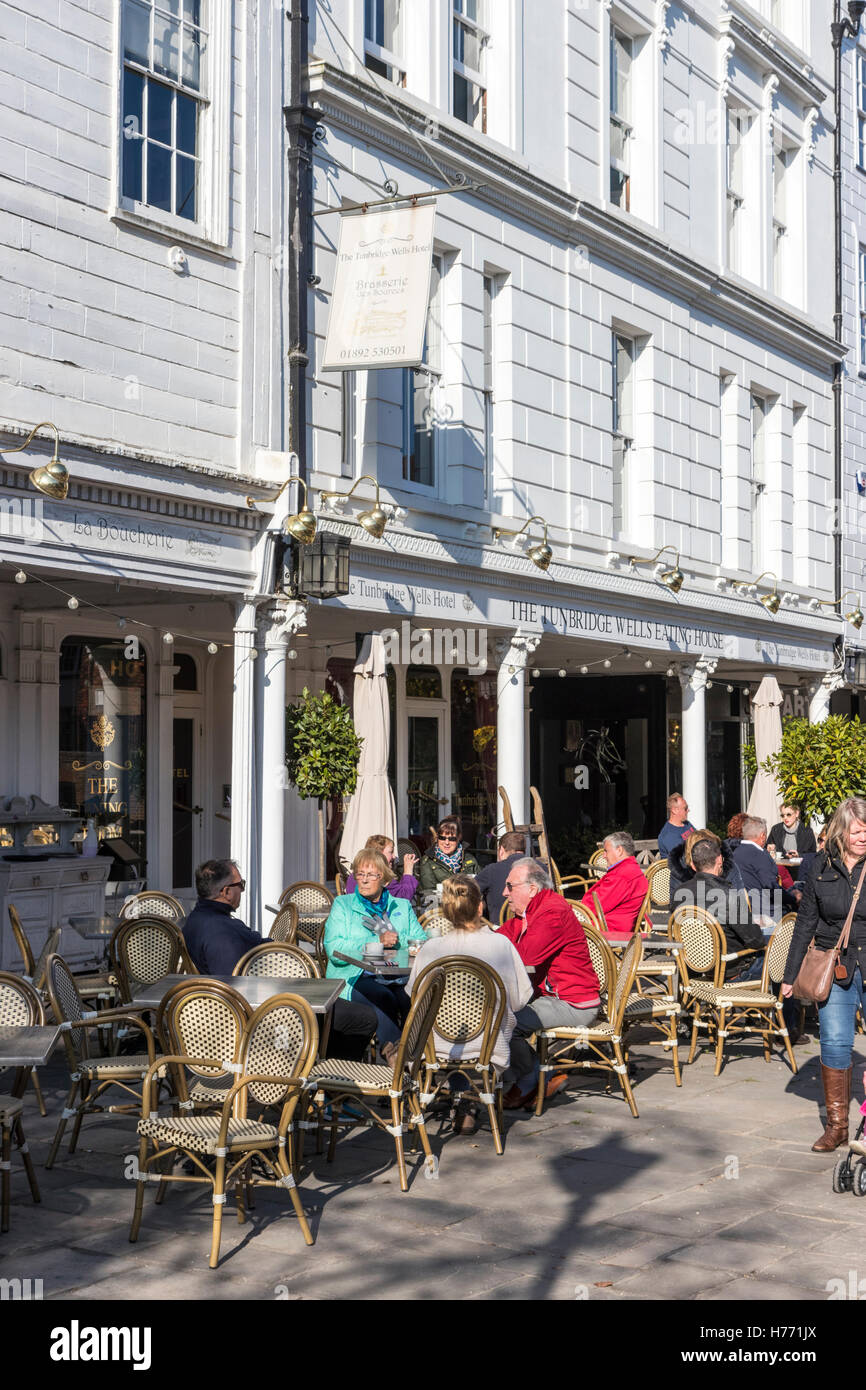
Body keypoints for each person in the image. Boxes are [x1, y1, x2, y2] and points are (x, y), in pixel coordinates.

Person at [182, 858, 377, 1060]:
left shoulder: (196, 920)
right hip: (270, 1016)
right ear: (226, 892)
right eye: (240, 885)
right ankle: (330, 1081)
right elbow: (235, 987)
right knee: (364, 1018)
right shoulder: (221, 933)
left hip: (268, 1003)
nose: (242, 889)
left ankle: (319, 1071)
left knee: (346, 1011)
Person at [407, 875, 533, 1134]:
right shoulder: (500, 945)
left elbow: (414, 999)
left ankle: (449, 1095)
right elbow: (520, 999)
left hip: (438, 1046)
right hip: (487, 1044)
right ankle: (466, 1101)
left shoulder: (430, 949)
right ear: (480, 907)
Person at [782, 797, 866, 1152]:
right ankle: (837, 1126)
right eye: (857, 831)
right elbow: (805, 924)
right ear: (841, 831)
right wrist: (789, 974)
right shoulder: (819, 865)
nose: (863, 837)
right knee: (833, 1042)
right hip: (835, 966)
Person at [498, 859, 601, 1109]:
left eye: (510, 886)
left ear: (531, 889)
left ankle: (532, 1078)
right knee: (497, 1016)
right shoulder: (531, 912)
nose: (504, 893)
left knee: (503, 1022)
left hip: (573, 1002)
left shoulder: (551, 912)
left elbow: (526, 957)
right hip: (554, 997)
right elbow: (500, 938)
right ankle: (541, 1076)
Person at [324, 847, 426, 1062]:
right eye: (359, 874)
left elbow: (420, 940)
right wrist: (375, 941)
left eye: (371, 875)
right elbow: (333, 948)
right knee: (382, 996)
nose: (363, 880)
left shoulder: (402, 905)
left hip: (398, 976)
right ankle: (398, 1060)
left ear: (384, 878)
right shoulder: (343, 905)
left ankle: (416, 1054)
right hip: (355, 975)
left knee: (414, 998)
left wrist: (401, 942)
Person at [672, 838, 765, 980]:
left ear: (692, 865)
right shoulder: (729, 896)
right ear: (720, 860)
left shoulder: (678, 894)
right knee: (777, 952)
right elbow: (756, 941)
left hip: (692, 969)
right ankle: (779, 1001)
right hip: (730, 971)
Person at [580, 830, 649, 934]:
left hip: (606, 930)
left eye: (606, 851)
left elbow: (594, 907)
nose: (604, 855)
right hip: (609, 925)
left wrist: (576, 909)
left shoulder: (622, 875)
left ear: (619, 850)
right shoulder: (629, 870)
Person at [732, 815, 799, 922]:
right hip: (765, 914)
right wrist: (794, 898)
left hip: (740, 912)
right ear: (763, 836)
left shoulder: (734, 853)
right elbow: (772, 889)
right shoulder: (761, 855)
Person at [473, 831, 526, 925]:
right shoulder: (542, 868)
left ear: (501, 850)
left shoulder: (492, 870)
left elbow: (468, 890)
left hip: (500, 931)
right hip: (533, 930)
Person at [418, 817, 480, 895]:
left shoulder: (469, 858)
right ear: (437, 838)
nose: (446, 842)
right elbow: (429, 892)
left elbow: (480, 885)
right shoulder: (428, 861)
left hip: (468, 905)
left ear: (459, 837)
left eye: (451, 839)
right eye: (442, 838)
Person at [344, 835, 419, 900]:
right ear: (379, 854)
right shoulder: (380, 877)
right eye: (391, 852)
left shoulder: (355, 875)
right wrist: (408, 872)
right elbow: (404, 898)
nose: (394, 856)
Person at [657, 793, 696, 858]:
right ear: (674, 810)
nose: (688, 810)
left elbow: (699, 839)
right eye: (685, 808)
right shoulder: (667, 835)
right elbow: (682, 859)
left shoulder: (686, 824)